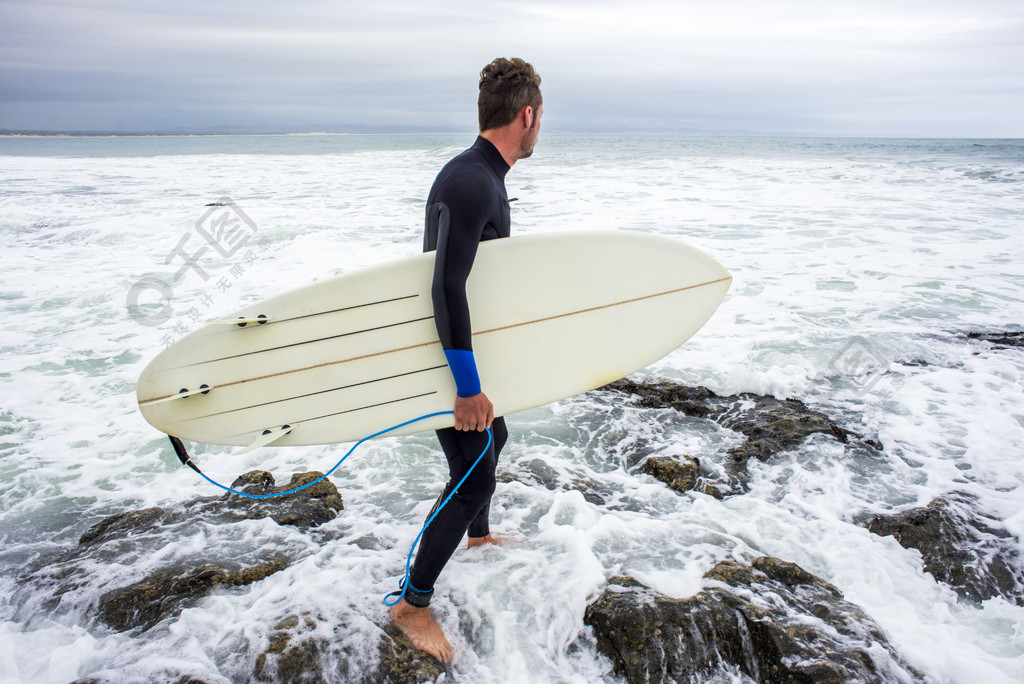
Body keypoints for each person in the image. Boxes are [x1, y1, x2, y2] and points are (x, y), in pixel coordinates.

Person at [390, 57, 542, 662]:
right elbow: (445, 287)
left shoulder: (480, 174)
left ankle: (476, 539)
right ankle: (412, 605)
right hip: (445, 356)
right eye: (539, 120)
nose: (539, 131)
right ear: (526, 115)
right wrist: (466, 384)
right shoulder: (472, 180)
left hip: (452, 347)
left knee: (491, 440)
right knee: (475, 470)